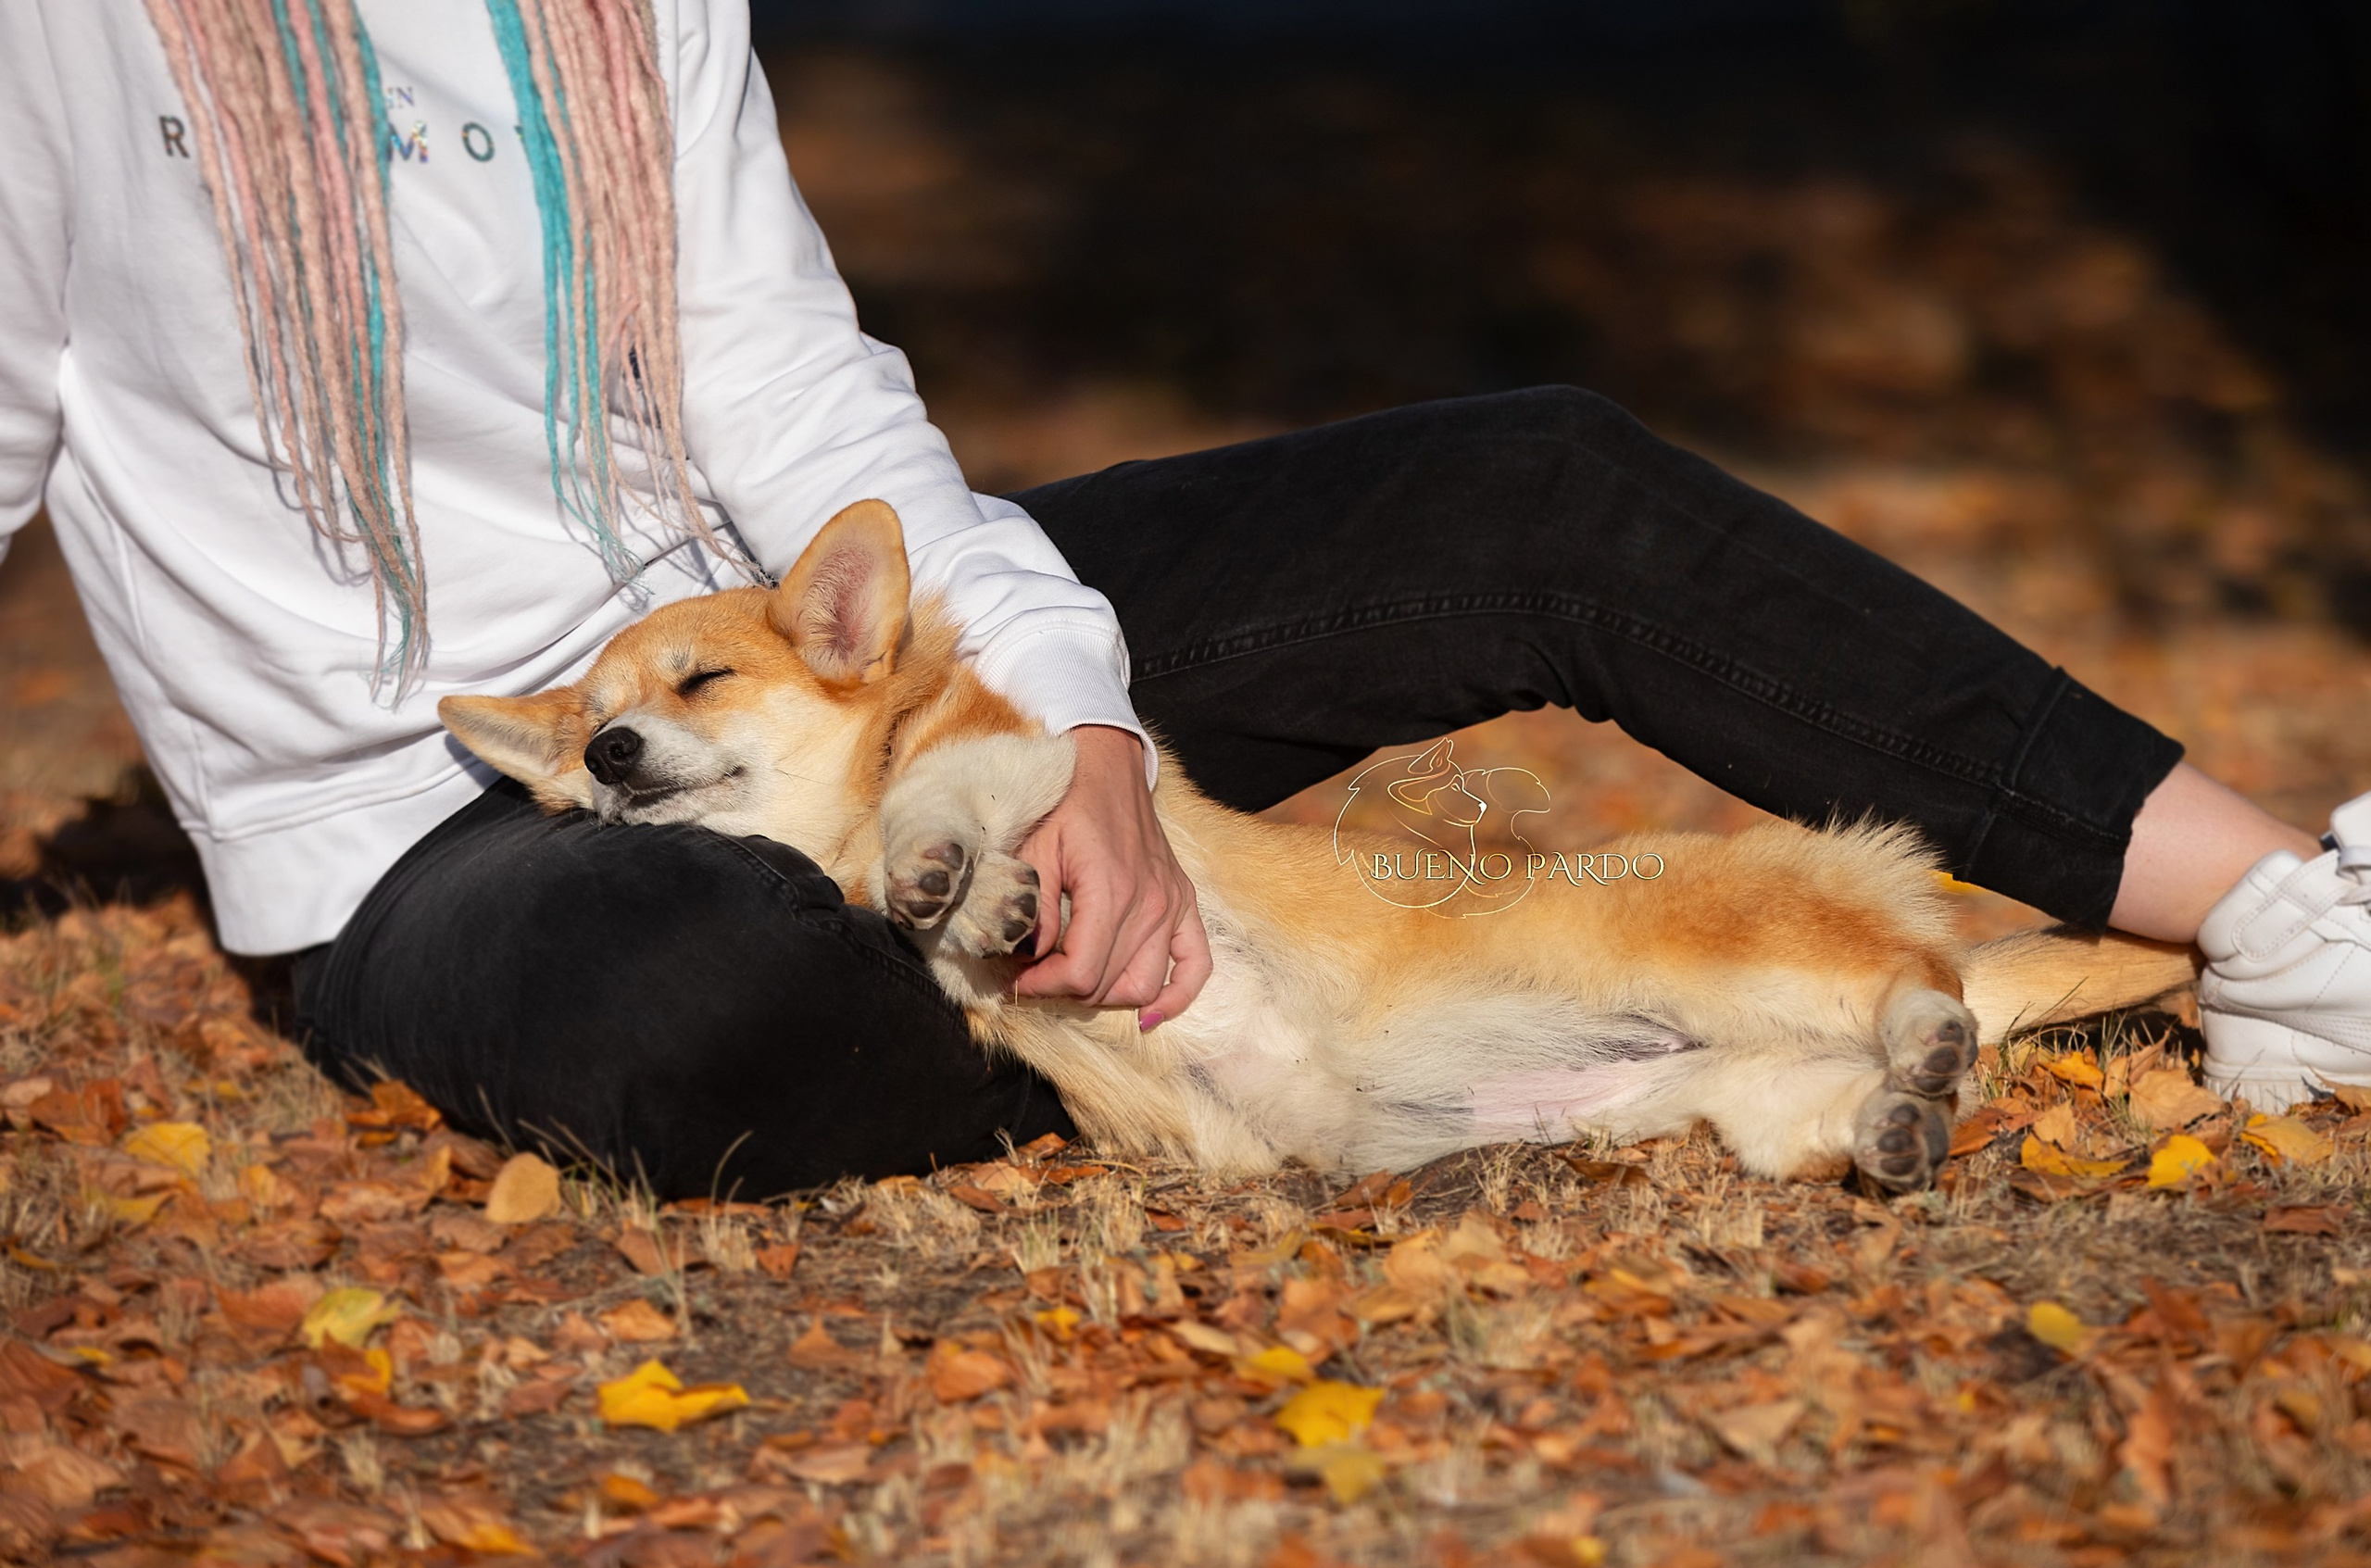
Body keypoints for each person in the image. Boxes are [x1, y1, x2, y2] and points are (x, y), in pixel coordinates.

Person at [1, 1, 2362, 1198]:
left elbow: (788, 383)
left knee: (1523, 481)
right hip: (462, 815)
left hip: (829, 665)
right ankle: (1465, 1055)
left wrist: (1082, 733)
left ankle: (2286, 932)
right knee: (718, 990)